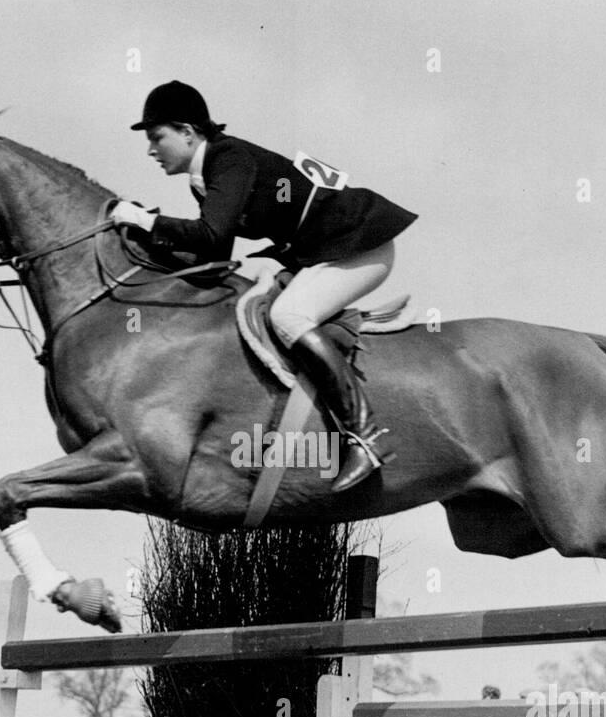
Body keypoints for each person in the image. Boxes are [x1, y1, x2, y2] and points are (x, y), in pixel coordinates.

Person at [113, 80, 417, 492]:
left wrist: (149, 221)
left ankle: (365, 437)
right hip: (324, 250)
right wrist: (144, 244)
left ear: (187, 132)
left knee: (288, 315)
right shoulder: (204, 175)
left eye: (156, 137)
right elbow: (213, 254)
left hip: (360, 244)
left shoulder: (229, 158)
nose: (151, 150)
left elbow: (208, 234)